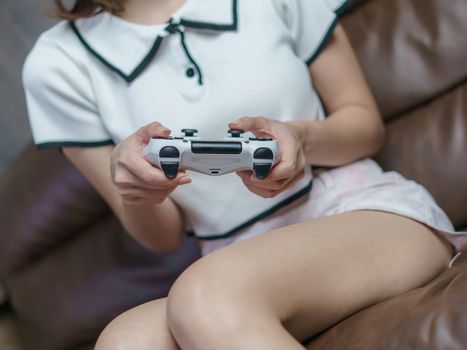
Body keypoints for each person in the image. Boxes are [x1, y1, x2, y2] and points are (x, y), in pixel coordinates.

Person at [22, 0, 466, 348]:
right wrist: (137, 191)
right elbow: (162, 237)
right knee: (126, 341)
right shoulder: (57, 64)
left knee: (208, 294)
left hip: (358, 211)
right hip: (233, 261)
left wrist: (300, 138)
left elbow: (366, 127)